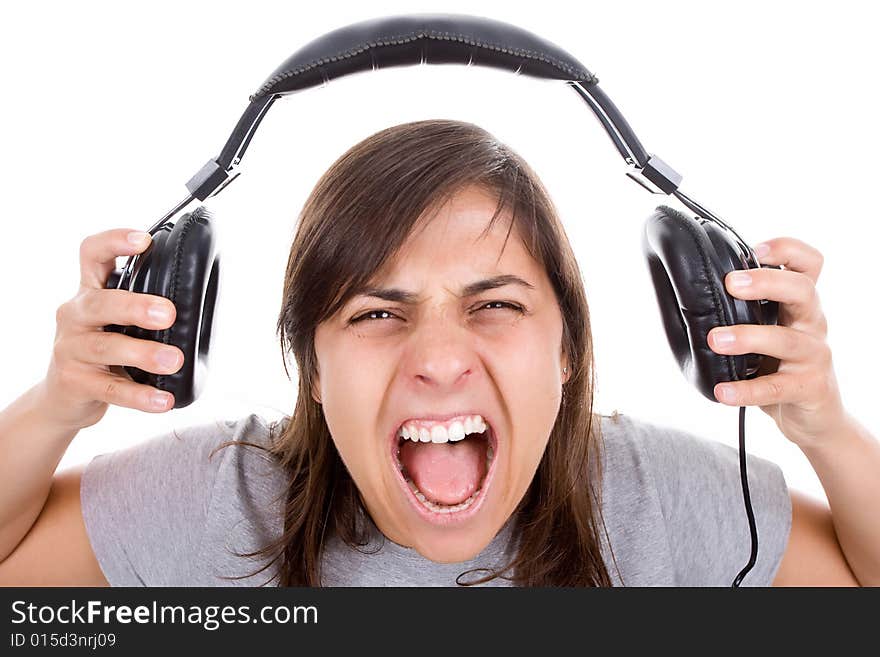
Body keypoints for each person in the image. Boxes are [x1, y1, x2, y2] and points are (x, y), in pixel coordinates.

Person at [0, 119, 873, 586]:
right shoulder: (220, 498)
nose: (441, 359)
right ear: (311, 364)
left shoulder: (658, 497)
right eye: (378, 314)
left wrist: (825, 427)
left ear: (567, 349)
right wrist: (54, 407)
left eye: (493, 304)